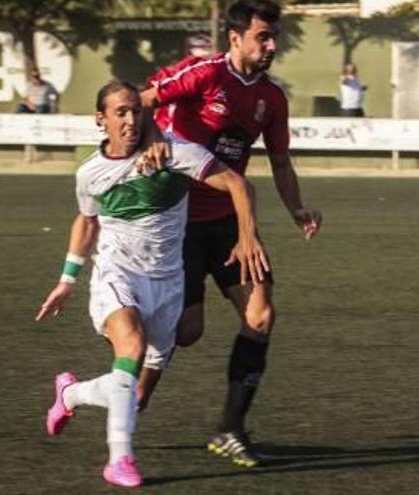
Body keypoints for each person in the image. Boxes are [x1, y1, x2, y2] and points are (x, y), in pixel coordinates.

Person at [36, 80, 267, 488]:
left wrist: (247, 236)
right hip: (116, 275)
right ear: (100, 120)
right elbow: (86, 220)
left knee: (134, 399)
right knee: (131, 346)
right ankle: (120, 460)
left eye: (135, 111)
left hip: (168, 283)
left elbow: (235, 183)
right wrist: (67, 279)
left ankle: (69, 395)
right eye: (120, 112)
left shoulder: (175, 153)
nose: (129, 119)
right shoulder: (90, 172)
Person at [137, 0, 322, 467]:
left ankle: (230, 429)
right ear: (235, 37)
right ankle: (125, 382)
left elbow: (280, 161)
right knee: (186, 332)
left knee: (260, 316)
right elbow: (141, 103)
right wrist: (155, 138)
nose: (272, 46)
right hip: (176, 220)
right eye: (263, 36)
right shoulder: (203, 74)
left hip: (228, 221)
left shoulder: (272, 99)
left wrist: (296, 206)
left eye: (274, 37)